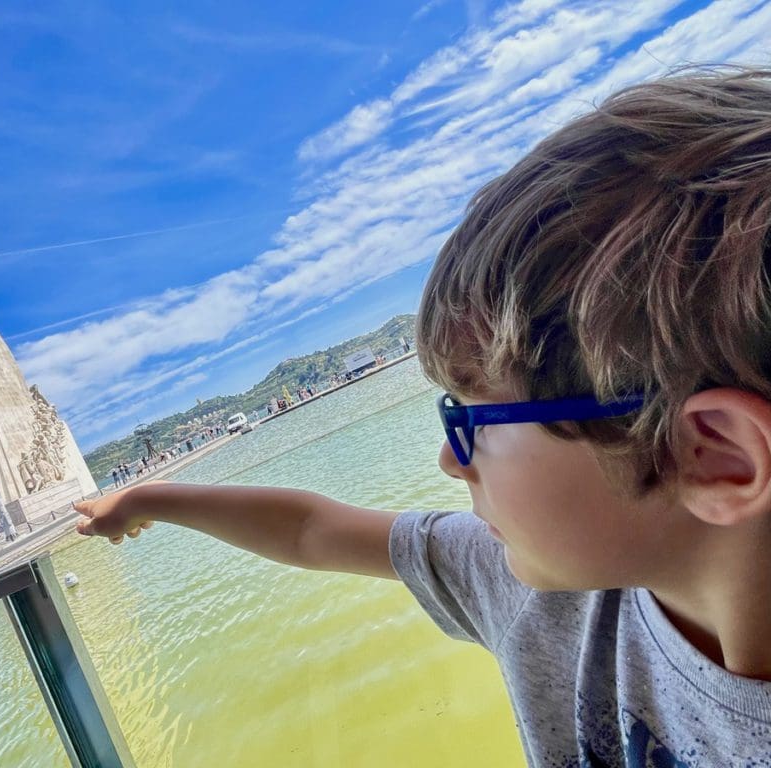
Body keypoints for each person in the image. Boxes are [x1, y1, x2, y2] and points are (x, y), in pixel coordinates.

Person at [73, 68, 771, 765]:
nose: (449, 458)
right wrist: (147, 498)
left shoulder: (560, 587)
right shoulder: (550, 592)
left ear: (714, 457)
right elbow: (313, 529)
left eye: (475, 419)